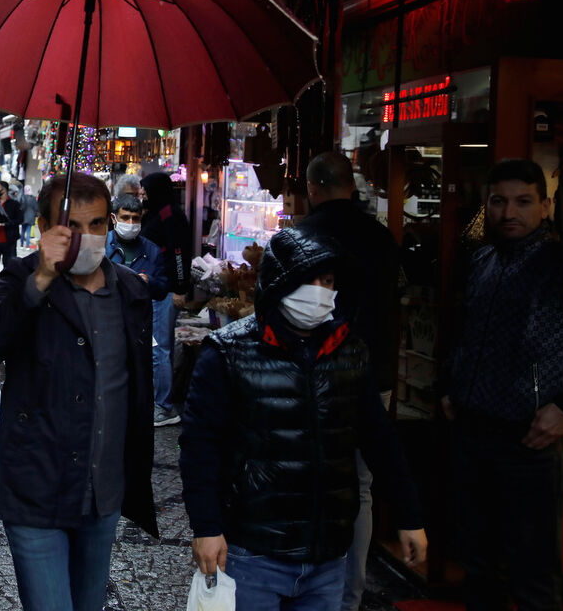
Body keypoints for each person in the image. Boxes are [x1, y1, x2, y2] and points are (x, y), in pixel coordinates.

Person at [180, 227, 428, 609]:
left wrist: (409, 516)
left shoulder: (348, 352)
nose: (318, 289)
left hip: (327, 554)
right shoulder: (228, 353)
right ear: (279, 281)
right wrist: (207, 528)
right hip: (252, 550)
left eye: (326, 280)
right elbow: (200, 446)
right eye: (306, 278)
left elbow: (380, 440)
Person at [0, 173, 158, 611]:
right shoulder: (21, 277)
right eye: (73, 225)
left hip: (103, 491)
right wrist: (38, 279)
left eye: (97, 224)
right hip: (37, 487)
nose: (88, 237)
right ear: (43, 226)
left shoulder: (131, 289)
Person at [442, 159, 563, 611]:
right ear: (487, 204)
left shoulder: (562, 264)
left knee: (532, 575)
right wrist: (450, 386)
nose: (509, 212)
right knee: (478, 569)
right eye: (499, 201)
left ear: (546, 205)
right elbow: (460, 331)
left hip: (530, 439)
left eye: (523, 201)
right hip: (473, 432)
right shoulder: (481, 260)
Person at [292, 152, 403, 611]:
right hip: (372, 373)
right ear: (351, 186)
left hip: (309, 374)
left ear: (314, 188)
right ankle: (348, 596)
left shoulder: (302, 235)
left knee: (303, 474)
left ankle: (300, 584)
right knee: (359, 484)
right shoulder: (381, 237)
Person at [142, 172, 193, 427]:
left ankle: (164, 406)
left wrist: (180, 288)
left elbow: (179, 254)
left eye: (146, 192)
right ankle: (161, 401)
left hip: (166, 290)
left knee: (160, 348)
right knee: (161, 347)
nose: (143, 196)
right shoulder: (158, 213)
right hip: (159, 288)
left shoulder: (169, 216)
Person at [106, 194, 169, 301]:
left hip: (139, 313)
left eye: (135, 218)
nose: (131, 223)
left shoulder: (152, 251)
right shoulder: (102, 245)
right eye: (125, 218)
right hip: (107, 311)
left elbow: (162, 291)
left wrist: (149, 281)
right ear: (113, 218)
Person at [0, 180, 23, 282]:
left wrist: (5, 224)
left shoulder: (14, 204)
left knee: (9, 265)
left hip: (10, 240)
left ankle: (6, 285)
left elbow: (20, 219)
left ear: (5, 190)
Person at [20, 185, 39, 249]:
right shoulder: (33, 198)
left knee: (22, 231)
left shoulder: (23, 197)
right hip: (31, 217)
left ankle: (21, 245)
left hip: (23, 217)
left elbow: (21, 208)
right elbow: (36, 208)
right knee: (28, 232)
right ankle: (27, 246)